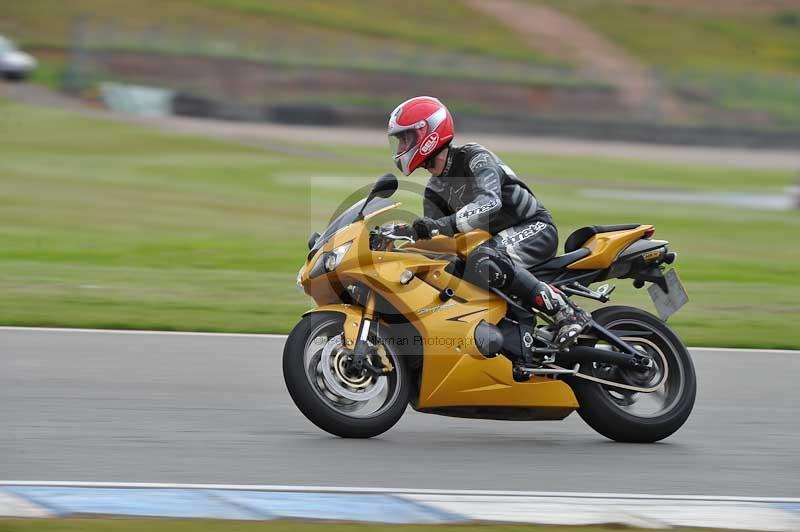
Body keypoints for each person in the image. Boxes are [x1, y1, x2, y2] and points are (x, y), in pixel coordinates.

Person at [387, 96, 590, 349]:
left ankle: (568, 313)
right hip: (492, 244)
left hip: (534, 228)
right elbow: (440, 244)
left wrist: (436, 227)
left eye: (406, 139)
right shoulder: (434, 189)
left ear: (427, 133)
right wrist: (400, 241)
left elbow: (489, 204)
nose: (401, 147)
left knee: (485, 258)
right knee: (453, 271)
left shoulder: (475, 157)